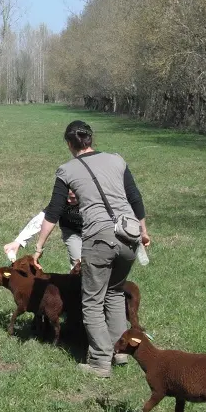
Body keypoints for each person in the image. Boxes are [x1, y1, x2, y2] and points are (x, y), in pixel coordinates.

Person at [31, 120, 150, 377]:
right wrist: (143, 231)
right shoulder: (117, 160)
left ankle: (99, 362)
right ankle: (120, 352)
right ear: (91, 139)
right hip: (129, 236)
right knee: (115, 292)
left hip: (99, 239)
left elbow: (54, 211)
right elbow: (135, 197)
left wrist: (38, 247)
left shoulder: (66, 170)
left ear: (69, 144)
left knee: (92, 300)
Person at [4, 189, 83, 267]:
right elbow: (43, 218)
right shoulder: (61, 200)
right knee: (79, 264)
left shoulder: (89, 198)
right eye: (67, 196)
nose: (68, 200)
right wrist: (18, 241)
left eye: (73, 198)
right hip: (72, 231)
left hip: (89, 229)